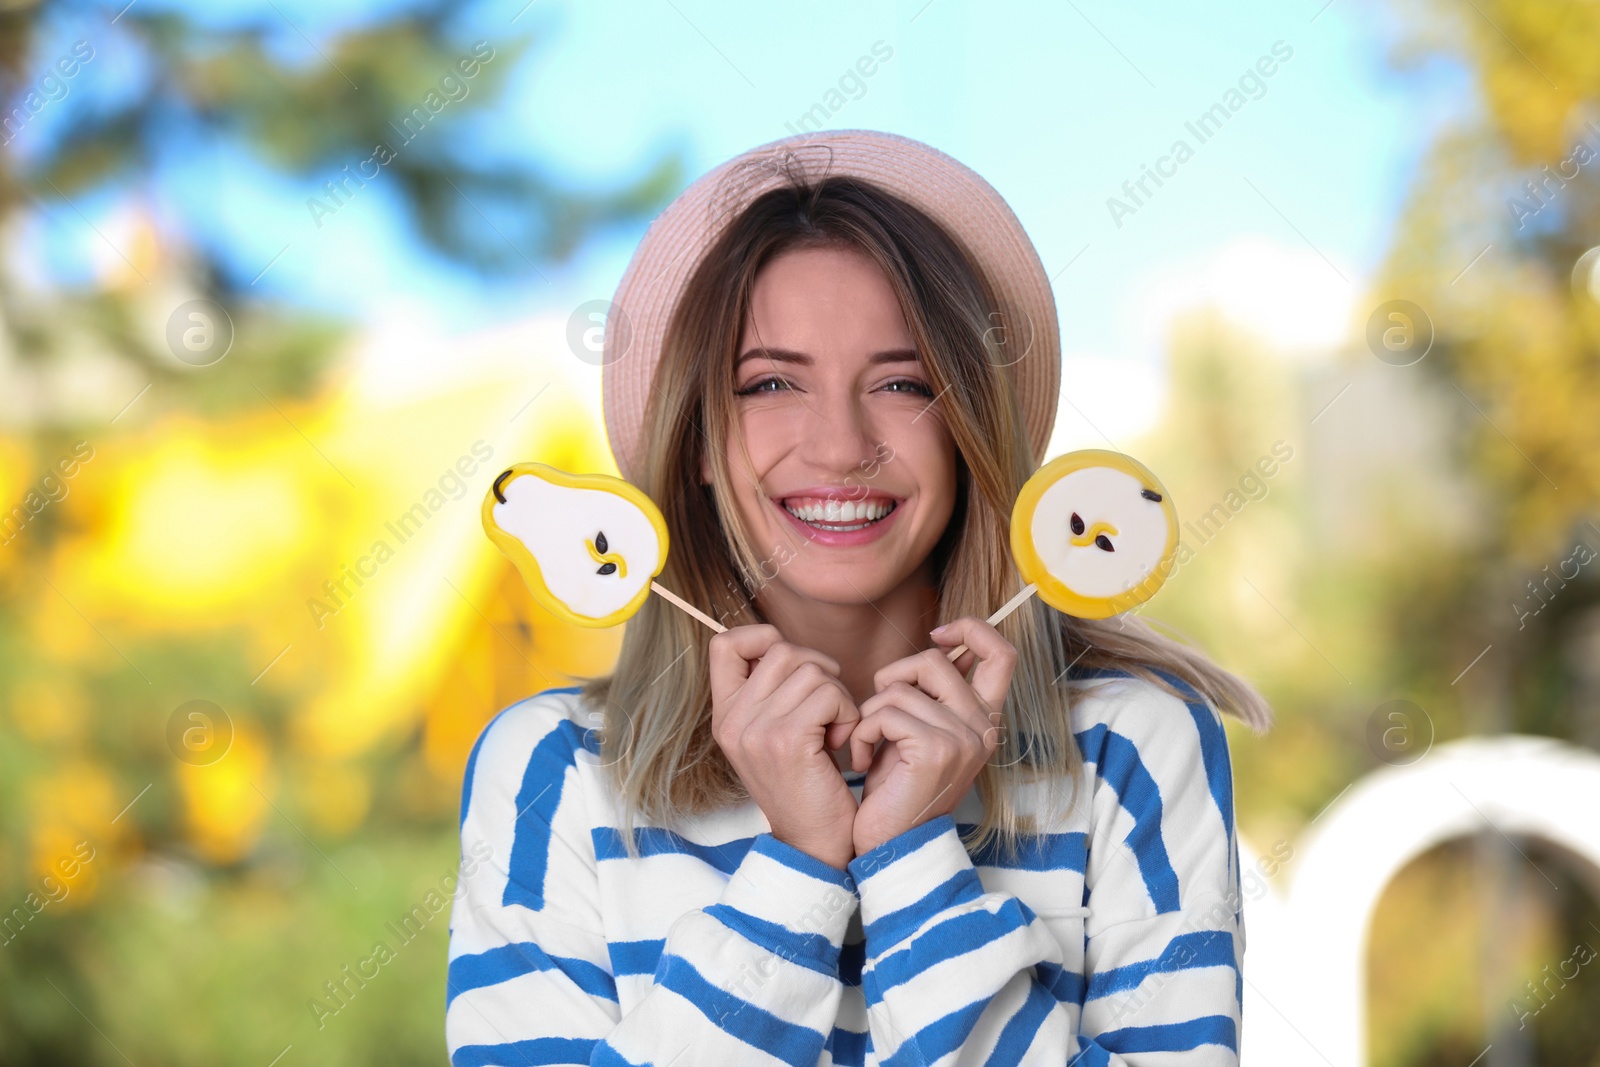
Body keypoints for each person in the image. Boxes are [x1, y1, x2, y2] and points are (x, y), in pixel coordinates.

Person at [444, 129, 1275, 1066]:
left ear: (967, 428)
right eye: (769, 382)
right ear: (698, 446)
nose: (839, 445)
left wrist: (912, 860)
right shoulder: (553, 770)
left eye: (901, 381)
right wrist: (799, 872)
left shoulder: (1134, 745)